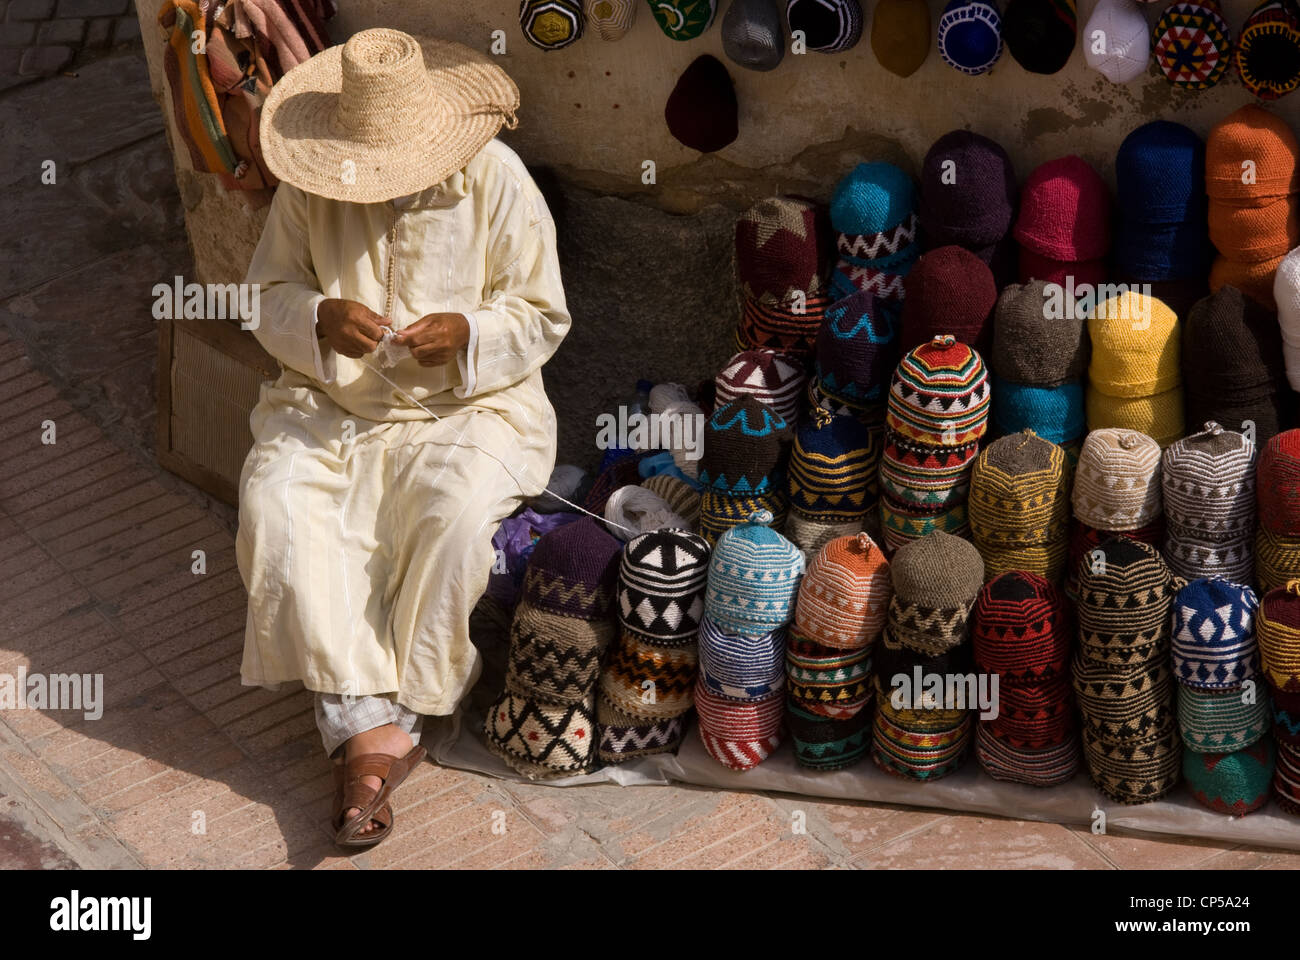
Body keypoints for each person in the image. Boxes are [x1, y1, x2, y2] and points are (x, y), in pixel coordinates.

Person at [235, 27, 571, 846]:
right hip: (329, 405)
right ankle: (371, 729)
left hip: (470, 407)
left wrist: (468, 332)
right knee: (281, 509)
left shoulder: (497, 179)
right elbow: (265, 294)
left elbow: (541, 314)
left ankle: (389, 718)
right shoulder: (311, 186)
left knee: (449, 518)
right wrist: (319, 318)